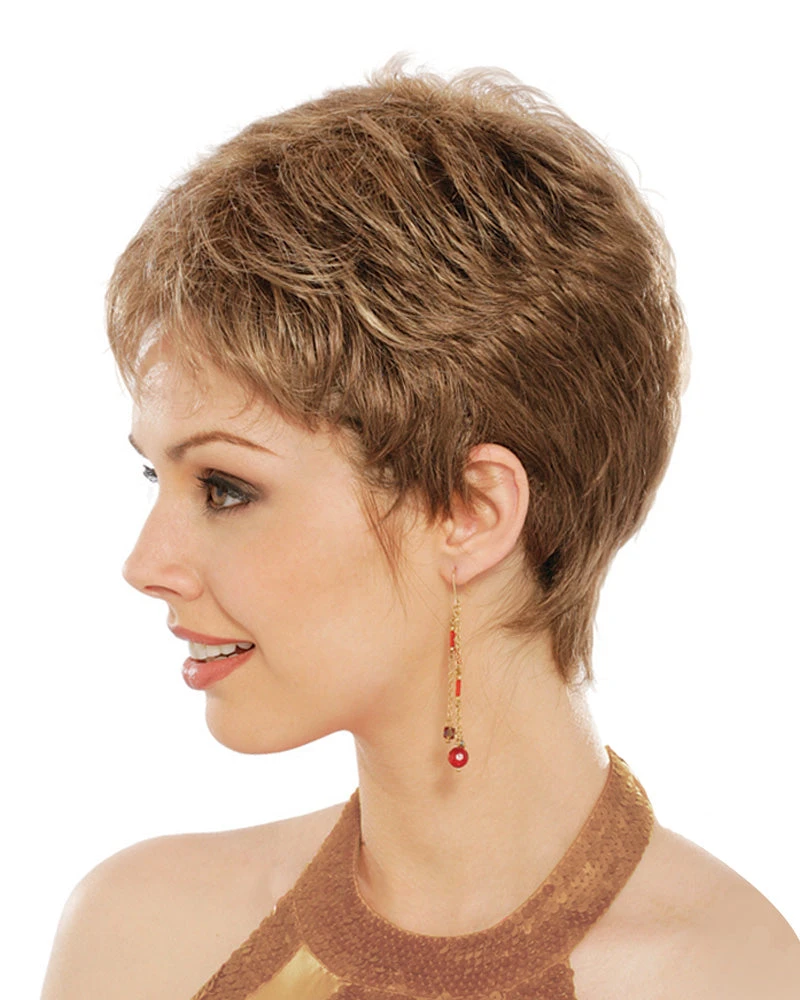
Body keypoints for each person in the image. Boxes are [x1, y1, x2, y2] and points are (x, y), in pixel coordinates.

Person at [41, 58, 799, 1000]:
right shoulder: (137, 939)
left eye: (225, 488)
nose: (145, 564)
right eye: (155, 475)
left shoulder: (733, 976)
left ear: (471, 512)